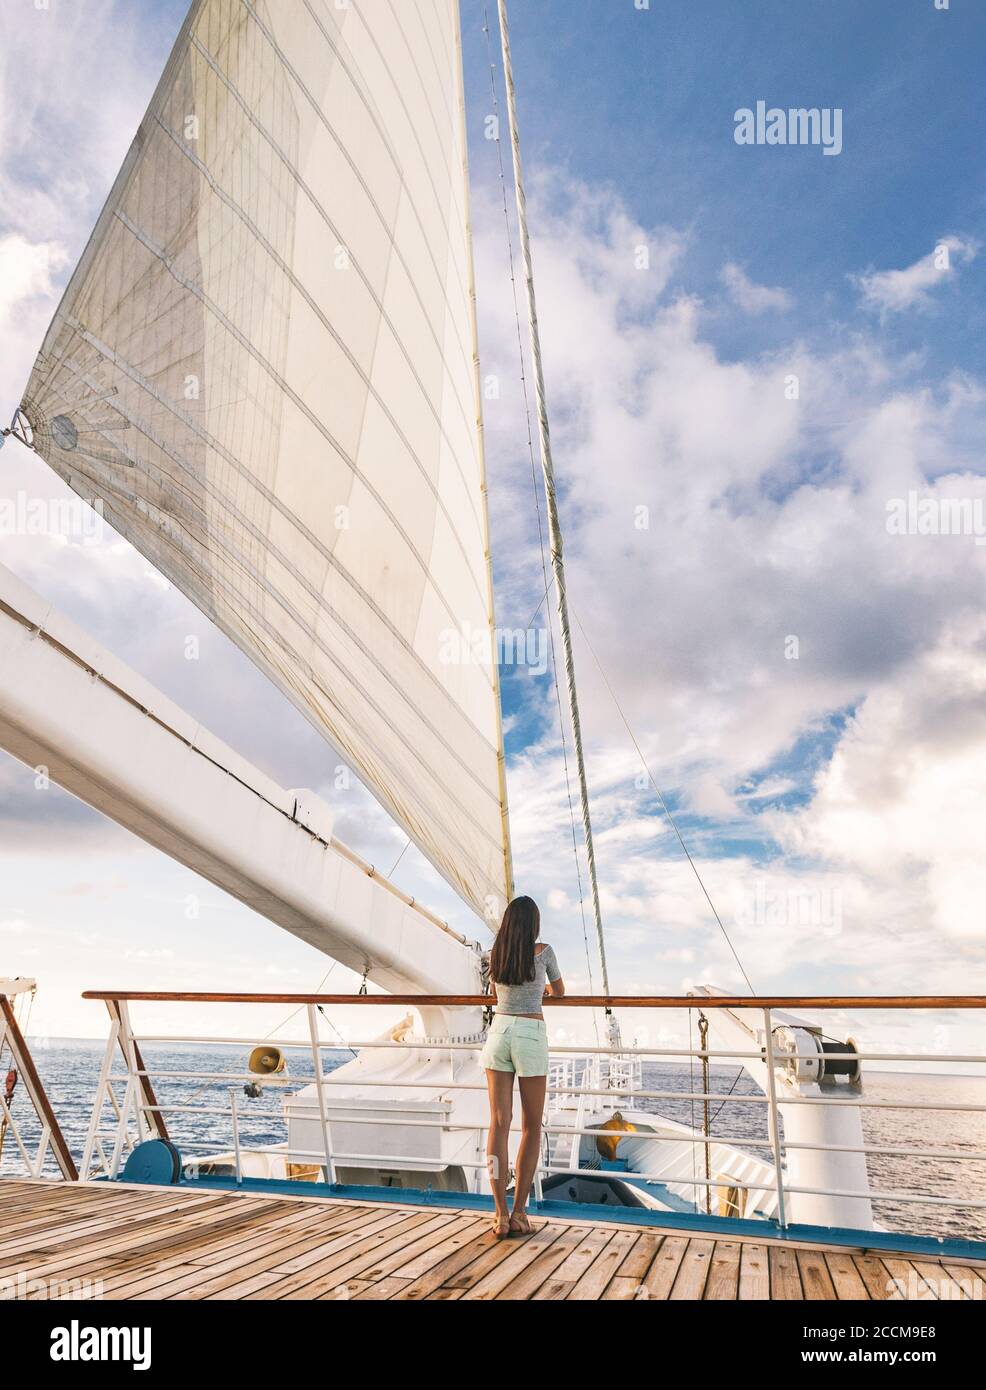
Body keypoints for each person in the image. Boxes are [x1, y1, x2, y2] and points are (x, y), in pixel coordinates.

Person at [479, 895, 565, 1238]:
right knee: (531, 1126)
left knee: (498, 1124)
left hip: (498, 1033)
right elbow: (559, 991)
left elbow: (494, 992)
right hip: (529, 1033)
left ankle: (499, 1215)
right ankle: (519, 1213)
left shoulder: (495, 955)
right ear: (534, 924)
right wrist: (542, 988)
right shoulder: (543, 952)